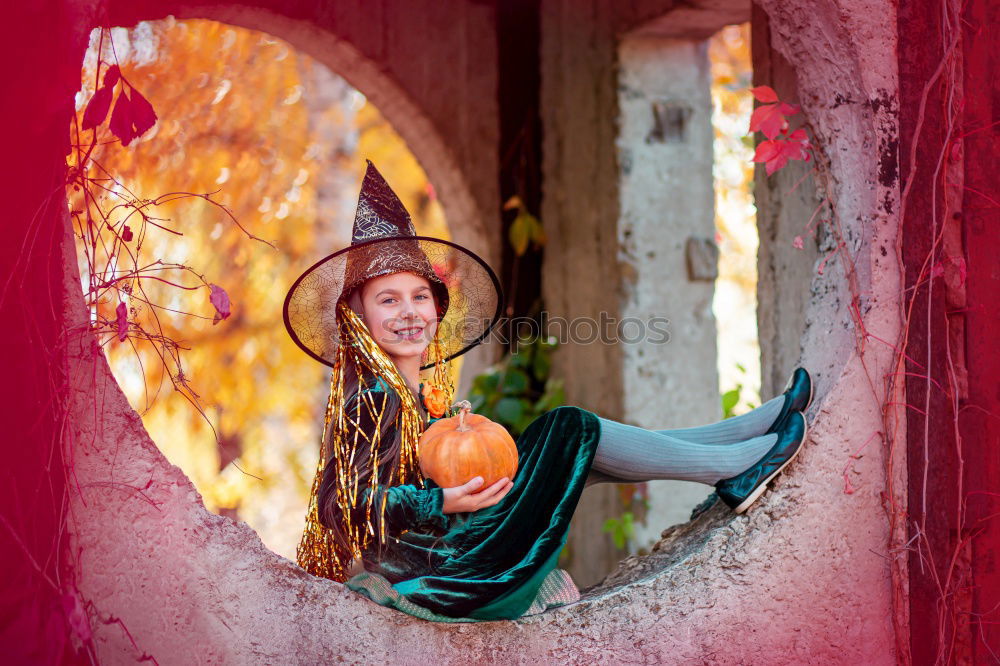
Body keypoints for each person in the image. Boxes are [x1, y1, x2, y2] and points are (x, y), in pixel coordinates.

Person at [282, 160, 812, 623]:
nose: (409, 312)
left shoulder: (417, 395)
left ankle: (740, 440)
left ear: (437, 309)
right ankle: (735, 463)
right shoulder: (372, 397)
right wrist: (441, 498)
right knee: (569, 428)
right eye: (388, 301)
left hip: (454, 552)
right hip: (445, 573)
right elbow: (344, 507)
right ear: (358, 317)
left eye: (419, 296)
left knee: (560, 447)